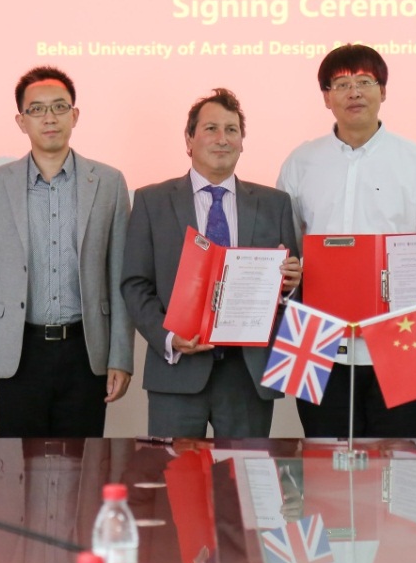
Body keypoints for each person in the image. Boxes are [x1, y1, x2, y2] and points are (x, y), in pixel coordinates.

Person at [276, 44, 416, 438]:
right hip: (315, 334)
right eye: (341, 84)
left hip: (402, 333)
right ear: (326, 97)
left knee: (404, 461)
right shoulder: (299, 162)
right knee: (323, 462)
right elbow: (284, 250)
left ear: (383, 91)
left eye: (365, 81)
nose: (354, 92)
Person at [122, 88, 302, 438]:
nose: (222, 139)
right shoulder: (151, 201)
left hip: (247, 376)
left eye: (232, 130)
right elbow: (135, 284)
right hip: (176, 371)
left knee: (243, 474)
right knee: (173, 473)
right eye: (211, 129)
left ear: (242, 142)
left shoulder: (275, 204)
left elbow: (291, 289)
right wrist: (169, 338)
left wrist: (289, 287)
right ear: (189, 140)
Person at [0, 66, 133, 436]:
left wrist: (121, 357)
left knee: (83, 463)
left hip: (85, 349)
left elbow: (119, 274)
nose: (49, 117)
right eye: (37, 109)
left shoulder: (108, 183)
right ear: (21, 121)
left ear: (75, 115)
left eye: (59, 107)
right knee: (18, 463)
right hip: (19, 348)